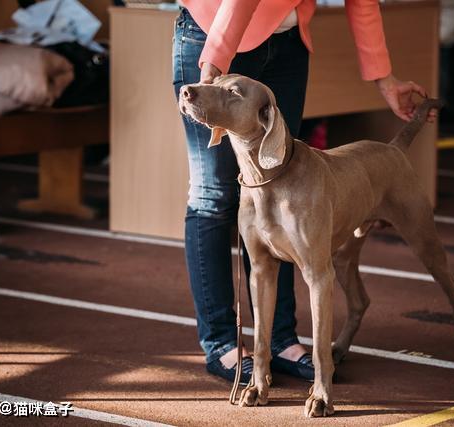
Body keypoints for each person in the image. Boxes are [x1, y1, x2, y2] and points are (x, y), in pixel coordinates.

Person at [172, 0, 435, 384]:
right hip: (212, 34)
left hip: (287, 44)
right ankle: (221, 343)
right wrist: (213, 68)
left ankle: (279, 340)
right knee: (215, 195)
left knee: (282, 179)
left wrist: (385, 80)